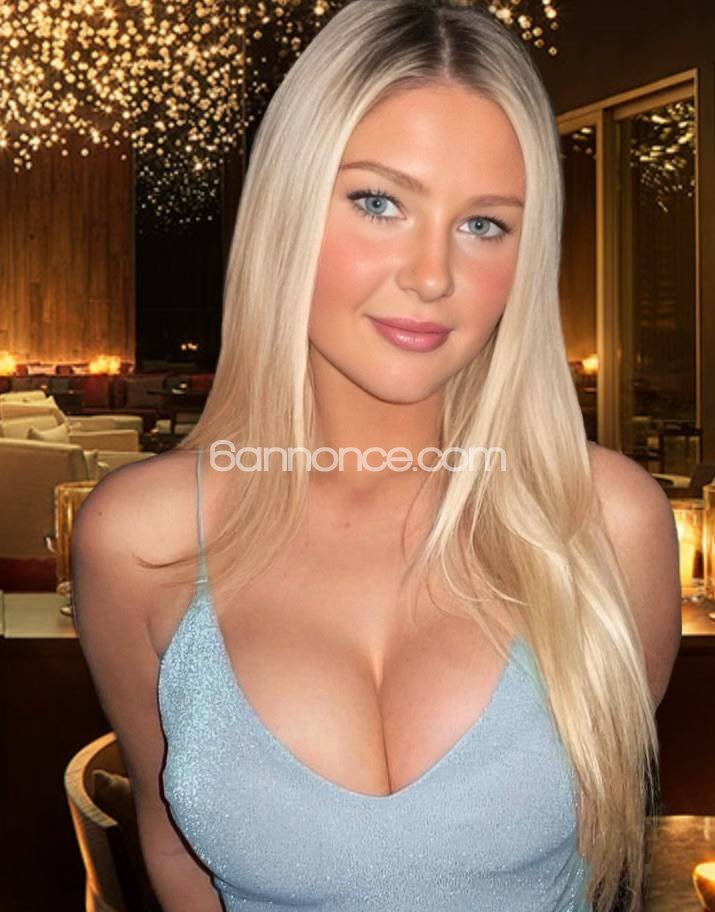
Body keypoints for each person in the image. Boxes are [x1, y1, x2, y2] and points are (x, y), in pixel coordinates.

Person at [72, 1, 682, 910]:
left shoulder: (603, 526)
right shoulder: (140, 542)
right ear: (286, 209)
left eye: (484, 224)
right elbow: (173, 848)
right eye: (378, 202)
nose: (431, 276)